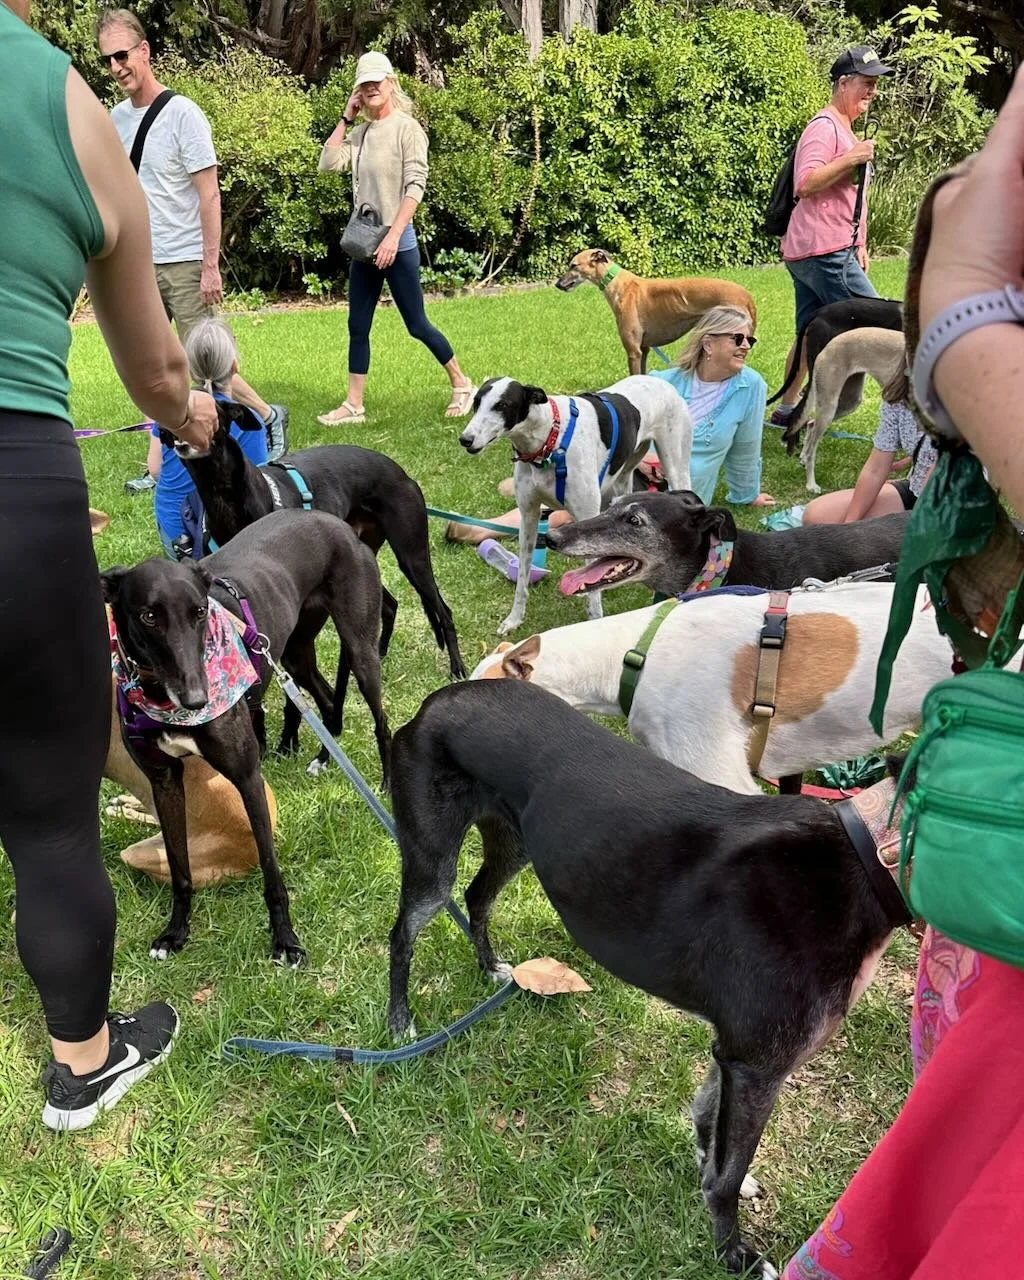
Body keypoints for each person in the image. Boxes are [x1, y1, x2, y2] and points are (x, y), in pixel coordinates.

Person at [782, 67, 1024, 1279]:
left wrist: (969, 317)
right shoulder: (913, 411)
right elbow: (876, 493)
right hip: (975, 675)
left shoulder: (970, 371)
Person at [0, 0, 217, 1128]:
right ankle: (82, 1061)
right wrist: (192, 418)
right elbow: (155, 366)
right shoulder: (65, 101)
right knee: (45, 816)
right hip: (16, 492)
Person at [95, 8, 287, 457]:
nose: (116, 67)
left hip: (183, 262)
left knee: (210, 367)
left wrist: (209, 266)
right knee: (152, 370)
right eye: (107, 59)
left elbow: (210, 196)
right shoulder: (113, 120)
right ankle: (158, 465)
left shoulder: (184, 115)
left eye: (122, 55)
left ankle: (265, 414)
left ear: (144, 51)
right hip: (138, 266)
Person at [445, 305, 772, 546]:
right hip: (631, 465)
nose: (746, 345)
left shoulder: (750, 387)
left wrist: (748, 493)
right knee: (574, 481)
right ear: (709, 343)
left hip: (671, 488)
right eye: (737, 338)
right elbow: (626, 428)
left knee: (584, 503)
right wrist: (641, 458)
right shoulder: (662, 381)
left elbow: (745, 448)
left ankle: (494, 526)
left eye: (749, 340)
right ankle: (530, 497)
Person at [315, 51, 476, 426]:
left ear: (391, 84)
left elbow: (415, 187)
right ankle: (354, 404)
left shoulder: (408, 128)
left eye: (377, 81)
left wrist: (394, 237)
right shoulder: (362, 132)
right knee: (358, 325)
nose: (371, 88)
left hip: (397, 244)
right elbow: (327, 164)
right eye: (364, 83)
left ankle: (461, 383)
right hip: (365, 244)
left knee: (416, 324)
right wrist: (346, 117)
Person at [771, 46, 893, 428]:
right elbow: (805, 183)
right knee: (887, 328)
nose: (872, 92)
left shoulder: (843, 129)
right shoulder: (824, 127)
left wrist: (862, 243)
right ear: (843, 83)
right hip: (824, 252)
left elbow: (850, 200)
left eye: (875, 84)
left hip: (815, 250)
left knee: (809, 330)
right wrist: (853, 158)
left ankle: (786, 411)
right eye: (866, 83)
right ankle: (903, 420)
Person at [149, 318, 268, 558]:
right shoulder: (246, 420)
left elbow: (154, 470)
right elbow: (259, 481)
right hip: (227, 535)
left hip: (175, 531)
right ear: (234, 367)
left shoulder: (171, 416)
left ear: (190, 370)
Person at [801, 379, 936, 524]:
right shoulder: (900, 396)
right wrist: (851, 526)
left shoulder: (958, 402)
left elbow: (938, 482)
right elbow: (875, 469)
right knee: (817, 516)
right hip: (916, 490)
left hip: (952, 504)